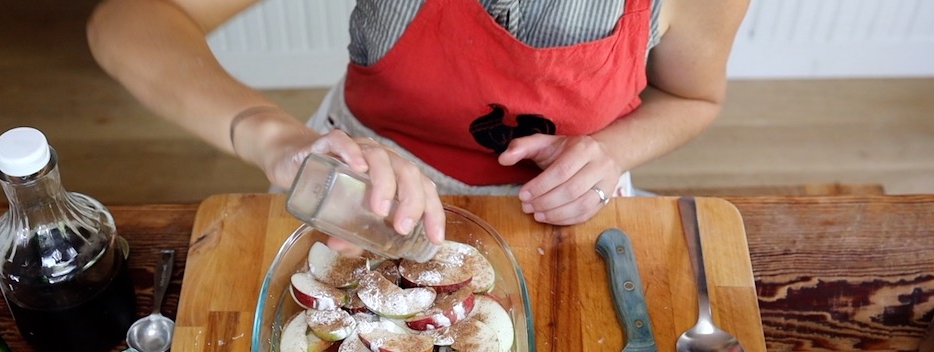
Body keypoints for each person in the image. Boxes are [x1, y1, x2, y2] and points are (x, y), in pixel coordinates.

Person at [87, 0, 749, 243]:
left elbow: (693, 98)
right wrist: (275, 136)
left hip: (572, 209)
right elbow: (129, 20)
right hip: (357, 188)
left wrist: (611, 150)